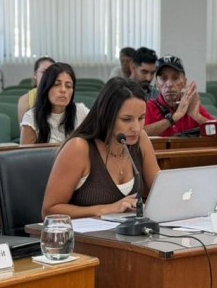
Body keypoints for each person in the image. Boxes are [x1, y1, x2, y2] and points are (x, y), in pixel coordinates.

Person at [42, 78, 160, 219]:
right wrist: (106, 209)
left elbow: (161, 192)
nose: (136, 128)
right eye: (126, 119)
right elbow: (49, 211)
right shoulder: (78, 148)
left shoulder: (141, 140)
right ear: (106, 116)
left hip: (125, 236)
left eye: (141, 118)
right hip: (83, 238)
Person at [144, 55, 215, 137]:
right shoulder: (148, 107)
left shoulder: (192, 106)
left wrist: (197, 116)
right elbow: (138, 135)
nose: (169, 84)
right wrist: (173, 118)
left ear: (184, 82)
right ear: (157, 84)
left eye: (175, 78)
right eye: (163, 78)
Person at [20, 62, 90, 144]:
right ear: (46, 88)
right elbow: (25, 155)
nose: (63, 90)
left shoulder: (81, 111)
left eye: (68, 86)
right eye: (56, 84)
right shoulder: (31, 117)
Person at [17, 56, 56, 123]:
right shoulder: (25, 100)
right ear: (35, 74)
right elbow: (23, 131)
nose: (47, 76)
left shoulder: (61, 96)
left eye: (51, 73)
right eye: (43, 72)